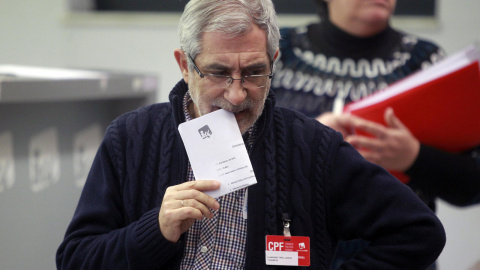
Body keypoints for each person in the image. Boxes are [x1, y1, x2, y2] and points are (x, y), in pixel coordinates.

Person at [56, 0, 446, 269]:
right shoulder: (131, 138)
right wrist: (154, 230)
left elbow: (418, 232)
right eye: (219, 72)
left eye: (255, 72)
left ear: (274, 61)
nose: (237, 94)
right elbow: (75, 259)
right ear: (184, 65)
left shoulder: (312, 146)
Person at [271, 0, 480, 269]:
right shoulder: (279, 52)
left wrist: (414, 157)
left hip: (398, 254)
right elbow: (245, 154)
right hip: (294, 250)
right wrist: (313, 138)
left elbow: (473, 183)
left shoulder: (425, 61)